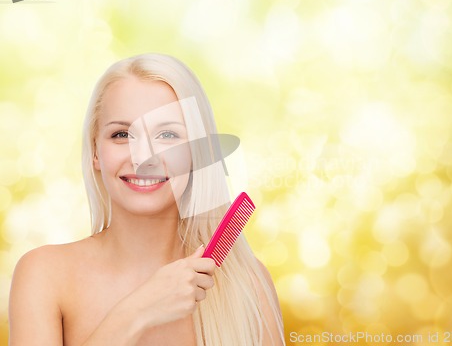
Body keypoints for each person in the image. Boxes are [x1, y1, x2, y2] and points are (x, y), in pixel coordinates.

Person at [8, 53, 285, 345]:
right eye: (122, 134)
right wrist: (138, 311)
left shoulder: (247, 285)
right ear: (95, 151)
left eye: (167, 134)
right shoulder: (44, 276)